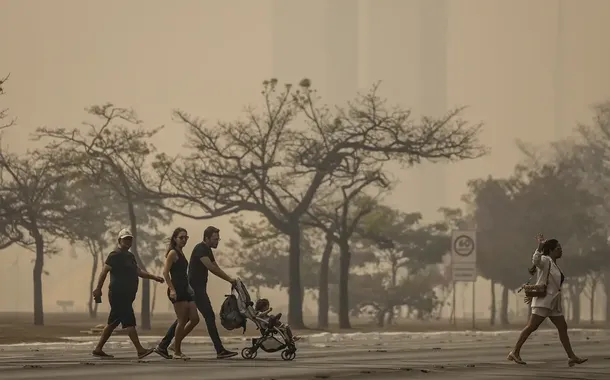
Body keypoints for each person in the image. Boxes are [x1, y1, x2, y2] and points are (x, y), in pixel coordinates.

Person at [155, 226, 237, 359]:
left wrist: (230, 279)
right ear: (206, 238)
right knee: (207, 316)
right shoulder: (200, 249)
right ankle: (219, 350)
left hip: (191, 288)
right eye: (215, 239)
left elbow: (215, 265)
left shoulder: (205, 250)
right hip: (194, 288)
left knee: (188, 319)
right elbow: (211, 268)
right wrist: (229, 279)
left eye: (185, 238)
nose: (217, 242)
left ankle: (166, 345)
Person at [508, 233, 587, 367]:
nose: (560, 250)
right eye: (558, 248)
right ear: (551, 250)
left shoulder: (554, 264)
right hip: (544, 301)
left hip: (554, 303)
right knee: (532, 327)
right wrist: (539, 247)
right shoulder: (545, 260)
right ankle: (514, 352)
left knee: (563, 327)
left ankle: (571, 357)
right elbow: (536, 261)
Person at [91, 228, 165, 359]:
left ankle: (98, 349)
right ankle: (140, 350)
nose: (128, 241)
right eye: (125, 239)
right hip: (118, 294)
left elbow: (138, 272)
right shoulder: (114, 255)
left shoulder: (130, 256)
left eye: (130, 239)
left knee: (113, 323)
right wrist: (98, 288)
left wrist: (154, 277)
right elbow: (104, 272)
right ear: (119, 240)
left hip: (127, 295)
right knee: (129, 322)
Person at [162, 227, 200, 360]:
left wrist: (189, 287)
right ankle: (177, 351)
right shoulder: (172, 253)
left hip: (185, 288)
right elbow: (165, 273)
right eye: (181, 237)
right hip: (176, 288)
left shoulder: (181, 253)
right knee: (182, 320)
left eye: (186, 237)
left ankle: (174, 344)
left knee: (195, 319)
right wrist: (172, 289)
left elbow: (183, 274)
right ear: (175, 239)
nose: (184, 240)